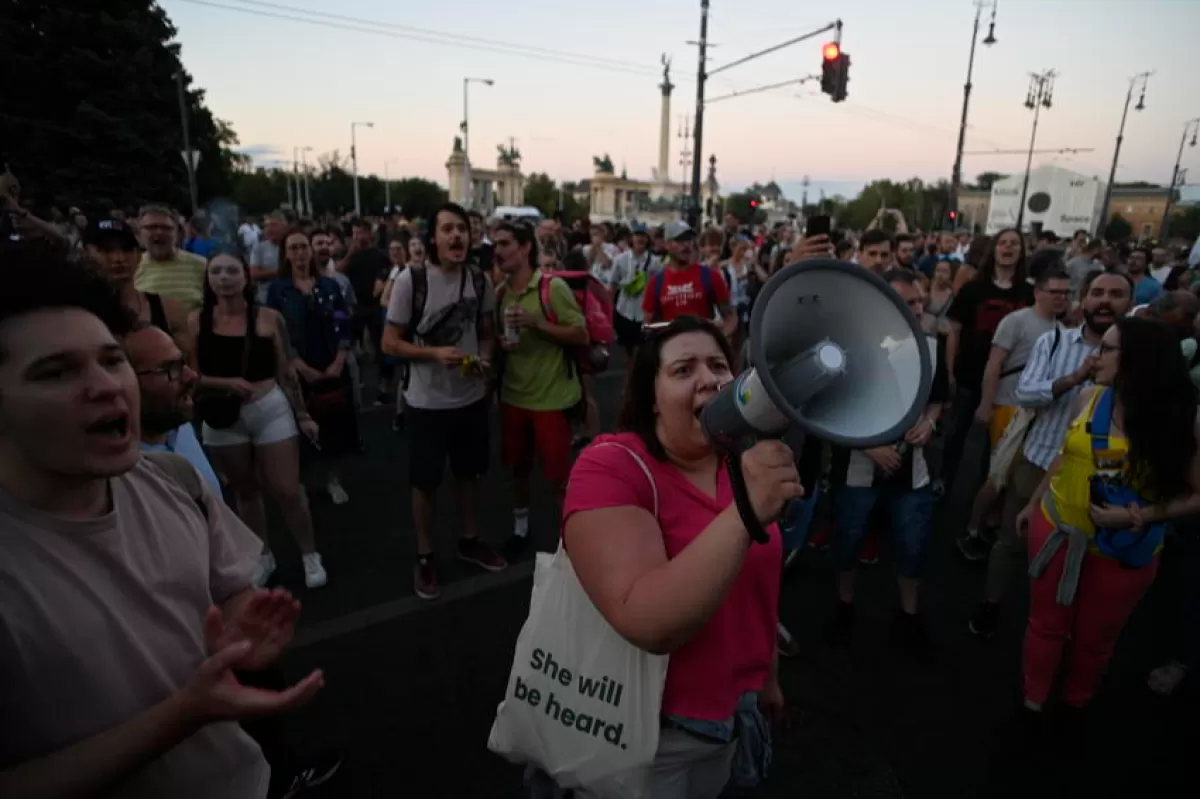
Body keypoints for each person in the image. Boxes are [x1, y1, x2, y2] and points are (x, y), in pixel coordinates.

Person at [0, 242, 323, 798]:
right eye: (56, 372)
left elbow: (231, 590)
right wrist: (186, 713)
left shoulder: (175, 479)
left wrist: (243, 627)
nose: (106, 386)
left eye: (112, 360)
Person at [532, 315, 798, 798]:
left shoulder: (740, 466)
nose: (709, 379)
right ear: (651, 397)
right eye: (683, 369)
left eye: (719, 365)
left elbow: (758, 585)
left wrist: (767, 678)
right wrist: (747, 511)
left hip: (731, 716)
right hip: (647, 734)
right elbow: (647, 621)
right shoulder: (610, 465)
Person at [1017, 317, 1200, 726]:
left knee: (1094, 638)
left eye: (1107, 349)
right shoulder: (1089, 397)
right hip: (1057, 527)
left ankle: (1075, 704)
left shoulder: (1184, 421)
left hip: (1124, 549)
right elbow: (1065, 454)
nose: (1094, 356)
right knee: (1045, 625)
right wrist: (1034, 502)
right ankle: (1032, 703)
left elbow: (1197, 494)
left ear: (1138, 359)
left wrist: (1137, 515)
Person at [383, 203, 506, 600]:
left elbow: (485, 331)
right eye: (448, 229)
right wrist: (434, 354)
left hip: (470, 399)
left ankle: (469, 540)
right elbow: (390, 342)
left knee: (470, 475)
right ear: (433, 238)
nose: (457, 236)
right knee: (425, 482)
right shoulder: (411, 280)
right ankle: (425, 555)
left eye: (463, 229)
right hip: (426, 402)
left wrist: (484, 359)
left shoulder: (479, 280)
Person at [189, 249, 328, 589]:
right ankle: (262, 555)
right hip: (221, 412)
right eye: (216, 271)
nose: (224, 278)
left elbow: (286, 370)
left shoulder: (268, 318)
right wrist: (225, 383)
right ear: (207, 278)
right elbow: (191, 374)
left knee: (287, 489)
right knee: (245, 490)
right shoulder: (196, 321)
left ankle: (310, 554)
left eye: (231, 271)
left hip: (267, 405)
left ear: (245, 276)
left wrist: (302, 414)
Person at [827, 270, 948, 651]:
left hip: (913, 470)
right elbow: (829, 408)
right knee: (848, 539)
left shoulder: (932, 347)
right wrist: (869, 447)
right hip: (857, 469)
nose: (918, 309)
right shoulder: (848, 347)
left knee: (913, 544)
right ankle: (844, 605)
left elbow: (938, 398)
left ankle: (909, 614)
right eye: (908, 302)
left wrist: (930, 423)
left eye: (919, 301)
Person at [493, 222, 587, 553]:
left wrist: (538, 323)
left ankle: (572, 541)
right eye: (496, 244)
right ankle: (521, 530)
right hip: (514, 395)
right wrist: (503, 343)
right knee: (518, 468)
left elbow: (581, 334)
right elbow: (498, 338)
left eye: (505, 244)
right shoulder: (500, 293)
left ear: (525, 248)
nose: (498, 251)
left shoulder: (552, 287)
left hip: (551, 398)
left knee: (559, 476)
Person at [125, 322, 222, 493]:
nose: (191, 376)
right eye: (169, 369)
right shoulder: (122, 476)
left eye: (183, 362)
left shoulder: (179, 425)